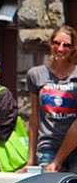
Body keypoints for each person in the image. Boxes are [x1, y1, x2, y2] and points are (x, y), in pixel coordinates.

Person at [27, 25, 77, 172]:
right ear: (50, 43)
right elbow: (34, 117)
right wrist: (30, 159)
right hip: (48, 146)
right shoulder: (36, 75)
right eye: (56, 43)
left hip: (74, 148)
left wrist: (57, 161)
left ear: (73, 48)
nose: (60, 49)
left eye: (66, 45)